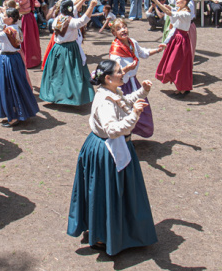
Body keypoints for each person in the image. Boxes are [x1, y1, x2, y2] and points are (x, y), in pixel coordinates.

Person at [66, 60, 157, 256]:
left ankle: (114, 230)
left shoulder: (111, 91)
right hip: (107, 152)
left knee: (112, 192)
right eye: (118, 71)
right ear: (108, 78)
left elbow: (124, 103)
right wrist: (134, 116)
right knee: (104, 192)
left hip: (113, 148)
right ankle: (102, 236)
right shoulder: (105, 101)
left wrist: (142, 91)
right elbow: (112, 129)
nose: (122, 73)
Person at [108, 19, 165, 138]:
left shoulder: (132, 42)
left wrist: (158, 50)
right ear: (114, 33)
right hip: (123, 85)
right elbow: (115, 73)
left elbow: (143, 53)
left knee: (142, 107)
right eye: (119, 29)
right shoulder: (115, 50)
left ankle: (134, 131)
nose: (123, 30)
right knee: (124, 111)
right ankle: (124, 137)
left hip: (134, 82)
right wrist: (127, 69)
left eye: (124, 27)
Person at [40, 0, 98, 105]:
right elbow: (83, 20)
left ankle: (56, 96)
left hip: (57, 49)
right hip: (70, 50)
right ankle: (72, 98)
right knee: (73, 74)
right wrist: (91, 6)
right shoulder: (71, 22)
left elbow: (74, 10)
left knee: (57, 74)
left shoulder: (57, 19)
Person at [152, 0, 195, 94]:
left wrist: (156, 2)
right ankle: (180, 87)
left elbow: (170, 13)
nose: (177, 0)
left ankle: (183, 88)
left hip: (181, 42)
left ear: (185, 1)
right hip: (176, 40)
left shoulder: (186, 13)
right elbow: (174, 27)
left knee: (179, 65)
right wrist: (166, 42)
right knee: (173, 64)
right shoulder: (180, 10)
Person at [1, 0, 42, 68]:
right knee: (21, 38)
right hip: (22, 18)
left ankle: (29, 61)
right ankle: (23, 60)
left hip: (26, 18)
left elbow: (38, 4)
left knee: (27, 39)